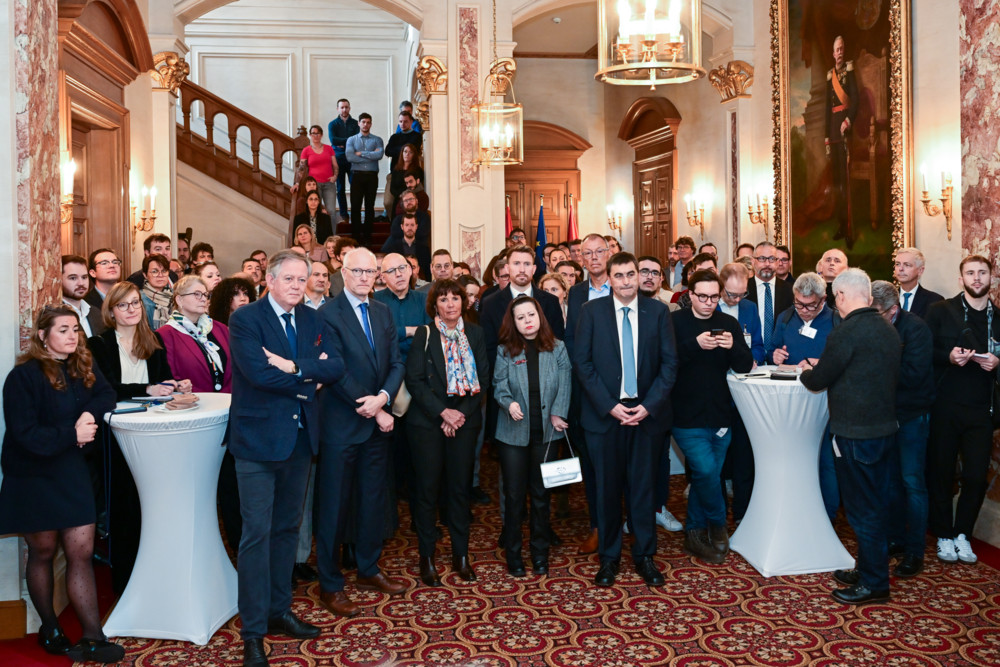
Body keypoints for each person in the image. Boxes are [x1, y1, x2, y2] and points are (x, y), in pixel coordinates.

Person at [228, 250, 345, 667]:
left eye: (304, 279)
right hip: (258, 442)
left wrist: (295, 365)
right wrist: (306, 379)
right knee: (256, 536)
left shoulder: (314, 319)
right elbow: (257, 374)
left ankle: (279, 611)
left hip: (299, 441)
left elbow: (337, 367)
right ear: (271, 281)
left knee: (287, 531)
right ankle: (253, 631)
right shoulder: (246, 319)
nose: (298, 285)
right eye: (290, 279)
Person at [0, 306, 121, 663]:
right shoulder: (23, 377)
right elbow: (25, 436)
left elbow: (106, 395)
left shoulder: (82, 366)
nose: (73, 336)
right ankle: (49, 626)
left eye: (76, 330)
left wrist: (89, 415)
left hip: (70, 471)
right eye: (64, 329)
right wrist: (73, 434)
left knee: (80, 553)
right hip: (33, 474)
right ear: (42, 335)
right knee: (42, 551)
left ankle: (93, 636)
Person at [574, 252, 677, 587]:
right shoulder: (591, 312)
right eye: (618, 276)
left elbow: (669, 366)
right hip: (605, 417)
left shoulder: (658, 311)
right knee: (606, 491)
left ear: (639, 276)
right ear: (610, 278)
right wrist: (609, 406)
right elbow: (583, 365)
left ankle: (645, 556)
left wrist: (648, 406)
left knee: (644, 490)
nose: (627, 281)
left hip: (646, 416)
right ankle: (609, 558)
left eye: (631, 274)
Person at [316, 248, 407, 618]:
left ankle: (368, 569)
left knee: (373, 500)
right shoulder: (327, 313)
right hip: (341, 423)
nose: (365, 277)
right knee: (334, 507)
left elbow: (397, 361)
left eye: (372, 271)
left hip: (375, 422)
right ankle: (330, 583)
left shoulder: (384, 311)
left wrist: (383, 399)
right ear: (343, 271)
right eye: (358, 271)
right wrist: (370, 405)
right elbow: (334, 369)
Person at [801, 268, 900, 604]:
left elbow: (818, 381)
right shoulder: (887, 328)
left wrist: (805, 372)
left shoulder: (846, 332)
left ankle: (874, 585)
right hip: (884, 430)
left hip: (855, 435)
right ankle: (869, 568)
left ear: (841, 296)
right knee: (877, 505)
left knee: (862, 511)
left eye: (834, 298)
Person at [88, 282, 191, 595]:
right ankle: (126, 584)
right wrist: (145, 390)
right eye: (124, 305)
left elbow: (162, 379)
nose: (132, 310)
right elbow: (104, 389)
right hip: (117, 433)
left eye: (135, 303)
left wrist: (175, 385)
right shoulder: (100, 344)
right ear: (112, 310)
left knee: (156, 506)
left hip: (153, 432)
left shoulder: (153, 339)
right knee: (125, 509)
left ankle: (158, 577)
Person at [404, 279, 488, 586]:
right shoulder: (424, 335)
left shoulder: (475, 334)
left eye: (455, 298)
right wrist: (443, 412)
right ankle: (427, 557)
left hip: (464, 423)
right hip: (427, 423)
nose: (450, 304)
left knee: (459, 491)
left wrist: (459, 415)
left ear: (463, 303)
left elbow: (483, 379)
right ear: (434, 305)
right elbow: (414, 381)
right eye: (443, 299)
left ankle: (460, 556)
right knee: (427, 491)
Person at [671, 270, 753, 563]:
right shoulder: (676, 322)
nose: (708, 302)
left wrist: (733, 348)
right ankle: (719, 526)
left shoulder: (728, 323)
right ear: (690, 295)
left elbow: (745, 366)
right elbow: (664, 362)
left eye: (714, 297)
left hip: (720, 414)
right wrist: (695, 345)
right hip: (684, 415)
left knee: (710, 476)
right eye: (702, 296)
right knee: (705, 472)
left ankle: (693, 533)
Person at [925, 254, 1000, 565]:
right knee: (941, 472)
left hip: (983, 410)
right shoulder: (940, 311)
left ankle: (962, 534)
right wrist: (949, 357)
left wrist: (998, 363)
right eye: (970, 273)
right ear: (961, 279)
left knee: (975, 476)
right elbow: (924, 352)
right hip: (945, 406)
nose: (977, 278)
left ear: (992, 278)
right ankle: (943, 533)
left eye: (982, 272)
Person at [492, 295, 571, 576]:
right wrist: (508, 402)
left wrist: (559, 412)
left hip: (548, 433)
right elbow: (498, 384)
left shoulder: (558, 348)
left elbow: (566, 382)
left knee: (541, 495)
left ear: (540, 317)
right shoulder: (505, 350)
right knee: (514, 497)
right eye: (521, 317)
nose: (527, 321)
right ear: (513, 322)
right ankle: (513, 555)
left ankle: (540, 553)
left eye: (531, 315)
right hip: (513, 434)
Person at [871, 280, 935, 578]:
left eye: (877, 313)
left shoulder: (916, 329)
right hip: (884, 416)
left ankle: (914, 552)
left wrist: (875, 371)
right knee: (890, 481)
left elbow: (914, 374)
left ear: (893, 310)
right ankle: (895, 538)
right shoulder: (876, 325)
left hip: (911, 416)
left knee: (912, 483)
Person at [564, 233, 613, 555]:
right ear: (581, 259)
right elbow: (571, 343)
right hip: (588, 391)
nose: (594, 258)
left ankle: (631, 526)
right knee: (594, 465)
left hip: (623, 390)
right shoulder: (577, 293)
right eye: (587, 253)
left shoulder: (624, 288)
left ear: (609, 254)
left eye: (599, 252)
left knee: (627, 466)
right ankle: (598, 526)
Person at [825, 35, 859, 248]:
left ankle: (850, 230)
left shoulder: (850, 70)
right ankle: (840, 225)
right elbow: (827, 109)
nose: (839, 53)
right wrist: (827, 138)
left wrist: (848, 120)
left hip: (847, 132)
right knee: (837, 184)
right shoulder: (830, 75)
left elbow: (855, 99)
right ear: (832, 53)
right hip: (834, 135)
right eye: (836, 49)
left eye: (842, 49)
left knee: (847, 185)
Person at [746, 242, 794, 357]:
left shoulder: (790, 290)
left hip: (782, 355)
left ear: (778, 262)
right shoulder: (743, 289)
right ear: (753, 262)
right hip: (750, 355)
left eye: (772, 259)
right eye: (762, 259)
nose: (767, 264)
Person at [345, 112, 384, 245]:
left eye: (368, 122)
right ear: (359, 123)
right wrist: (370, 155)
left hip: (372, 177)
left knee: (369, 206)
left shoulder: (377, 140)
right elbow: (350, 157)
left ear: (371, 124)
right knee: (355, 206)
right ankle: (355, 237)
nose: (365, 124)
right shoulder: (351, 140)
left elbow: (379, 155)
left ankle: (367, 236)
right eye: (363, 122)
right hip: (356, 175)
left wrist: (361, 153)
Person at [328, 98, 359, 222]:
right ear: (338, 109)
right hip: (338, 159)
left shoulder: (356, 123)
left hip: (352, 160)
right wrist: (348, 141)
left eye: (346, 107)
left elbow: (357, 140)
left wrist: (343, 142)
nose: (344, 109)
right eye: (341, 107)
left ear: (349, 108)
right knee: (340, 188)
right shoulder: (333, 124)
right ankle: (344, 214)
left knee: (355, 187)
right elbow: (333, 140)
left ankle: (355, 212)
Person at [300, 124, 339, 218]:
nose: (315, 136)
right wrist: (298, 183)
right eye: (313, 133)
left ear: (321, 135)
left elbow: (335, 166)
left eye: (318, 133)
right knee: (315, 210)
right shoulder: (306, 150)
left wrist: (335, 176)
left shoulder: (329, 149)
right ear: (310, 135)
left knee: (331, 211)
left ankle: (332, 233)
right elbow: (301, 169)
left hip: (329, 184)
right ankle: (317, 233)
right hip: (314, 185)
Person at [893, 247, 943, 319]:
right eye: (897, 264)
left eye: (907, 265)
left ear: (920, 270)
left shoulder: (935, 301)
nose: (900, 269)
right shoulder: (888, 299)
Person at [62, 255, 104, 337]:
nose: (81, 283)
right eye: (73, 278)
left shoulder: (96, 312)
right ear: (59, 280)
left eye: (84, 277)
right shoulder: (54, 314)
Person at [140, 254, 173, 331]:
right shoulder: (139, 299)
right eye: (155, 271)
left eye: (164, 271)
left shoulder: (176, 296)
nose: (160, 275)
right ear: (145, 275)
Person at [388, 143, 423, 210]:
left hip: (411, 198)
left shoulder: (418, 170)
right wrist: (400, 195)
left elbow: (417, 187)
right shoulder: (396, 169)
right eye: (405, 151)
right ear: (402, 153)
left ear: (414, 155)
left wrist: (406, 195)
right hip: (399, 197)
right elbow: (392, 188)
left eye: (410, 152)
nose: (407, 154)